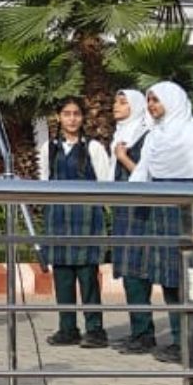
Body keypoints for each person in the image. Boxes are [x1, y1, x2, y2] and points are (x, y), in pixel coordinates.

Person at [127, 81, 193, 365]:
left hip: (188, 211)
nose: (152, 106)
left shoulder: (189, 132)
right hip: (161, 211)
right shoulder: (156, 135)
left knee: (190, 279)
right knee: (169, 281)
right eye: (149, 100)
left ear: (172, 101)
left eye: (156, 100)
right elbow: (143, 172)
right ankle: (178, 341)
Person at [40, 95, 113, 348]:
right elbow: (44, 182)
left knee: (88, 276)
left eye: (76, 114)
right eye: (67, 114)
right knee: (62, 276)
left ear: (83, 118)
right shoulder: (49, 148)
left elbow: (105, 183)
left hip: (86, 218)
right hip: (58, 218)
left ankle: (95, 329)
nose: (72, 119)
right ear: (59, 117)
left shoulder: (93, 148)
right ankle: (67, 328)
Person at [106, 88, 159, 356]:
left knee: (137, 272)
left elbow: (147, 176)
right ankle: (138, 331)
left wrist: (124, 158)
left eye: (123, 102)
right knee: (129, 274)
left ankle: (145, 334)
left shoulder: (146, 136)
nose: (116, 106)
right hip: (123, 212)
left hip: (140, 214)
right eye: (116, 102)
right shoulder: (121, 135)